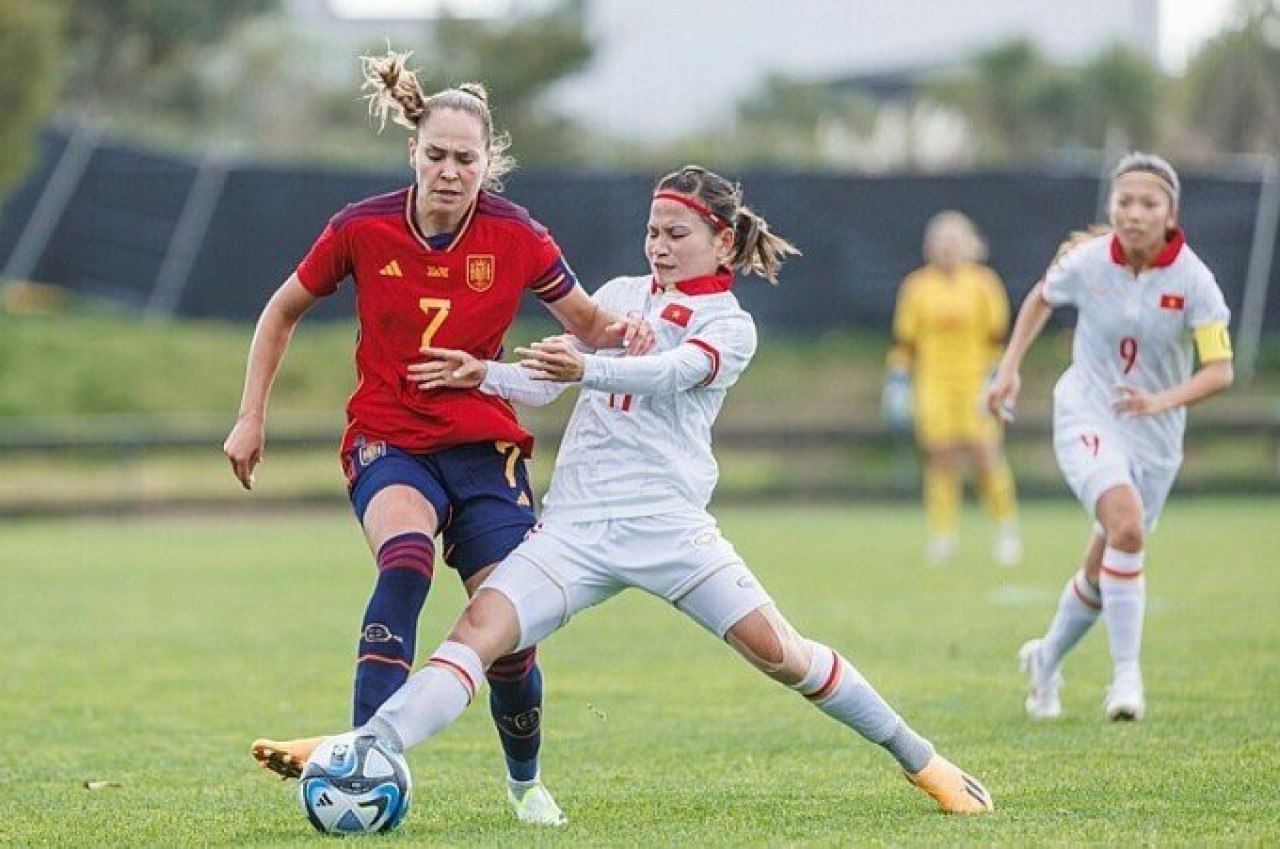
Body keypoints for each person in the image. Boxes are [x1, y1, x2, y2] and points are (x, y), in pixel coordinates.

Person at [251, 164, 995, 819]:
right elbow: (547, 385)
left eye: (677, 233)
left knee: (783, 654)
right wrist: (489, 376)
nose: (659, 246)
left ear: (723, 243)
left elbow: (670, 374)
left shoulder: (730, 326)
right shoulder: (617, 295)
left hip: (671, 528)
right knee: (477, 634)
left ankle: (924, 761)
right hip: (575, 526)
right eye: (652, 230)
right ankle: (364, 745)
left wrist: (588, 369)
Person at [225, 49, 650, 826]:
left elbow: (592, 326)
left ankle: (526, 783)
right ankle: (363, 751)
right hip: (389, 440)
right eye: (436, 155)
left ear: (490, 162)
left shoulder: (517, 235)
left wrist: (653, 336)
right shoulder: (361, 228)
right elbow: (280, 309)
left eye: (466, 158)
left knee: (508, 632)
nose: (450, 171)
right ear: (412, 154)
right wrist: (252, 413)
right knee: (407, 558)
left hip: (486, 451)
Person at [987, 153, 1234, 721]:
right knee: (1125, 526)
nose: (1135, 213)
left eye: (1149, 203)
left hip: (1155, 434)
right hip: (1088, 413)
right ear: (1111, 207)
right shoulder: (1088, 262)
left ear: (1171, 213)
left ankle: (1045, 660)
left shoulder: (1195, 280)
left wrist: (1159, 402)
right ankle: (1127, 681)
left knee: (1106, 563)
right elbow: (1041, 298)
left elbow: (1219, 370)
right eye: (1125, 201)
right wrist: (1009, 369)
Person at [886, 211, 1022, 567]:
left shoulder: (983, 283)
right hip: (932, 382)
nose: (946, 248)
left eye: (953, 241)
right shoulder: (917, 287)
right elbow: (905, 342)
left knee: (984, 452)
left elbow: (997, 337)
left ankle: (1005, 528)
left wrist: (997, 377)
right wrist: (897, 382)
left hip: (976, 381)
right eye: (940, 241)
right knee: (941, 455)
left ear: (968, 245)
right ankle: (943, 535)